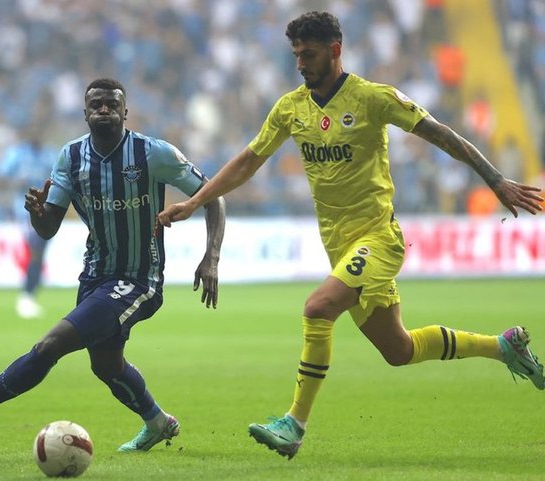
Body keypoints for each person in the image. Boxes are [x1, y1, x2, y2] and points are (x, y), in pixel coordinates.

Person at [158, 12, 544, 459]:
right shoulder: (290, 108)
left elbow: (441, 135)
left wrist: (495, 180)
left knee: (318, 308)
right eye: (296, 55)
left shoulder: (373, 98)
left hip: (378, 239)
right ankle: (502, 346)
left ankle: (294, 424)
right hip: (339, 246)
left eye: (309, 54)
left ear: (335, 50)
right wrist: (195, 202)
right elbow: (248, 161)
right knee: (398, 349)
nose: (300, 64)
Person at [0, 78, 226, 452]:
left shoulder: (152, 153)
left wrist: (211, 258)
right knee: (106, 366)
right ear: (85, 113)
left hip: (138, 280)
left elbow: (213, 196)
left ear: (125, 112)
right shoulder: (70, 157)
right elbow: (48, 227)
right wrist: (38, 214)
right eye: (97, 105)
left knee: (50, 345)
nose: (104, 109)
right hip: (95, 276)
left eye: (112, 104)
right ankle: (158, 422)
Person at [0, 127, 58, 318]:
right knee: (35, 250)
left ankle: (30, 294)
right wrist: (17, 182)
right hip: (23, 210)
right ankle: (26, 295)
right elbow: (1, 177)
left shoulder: (50, 155)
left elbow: (60, 180)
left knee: (40, 251)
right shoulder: (17, 153)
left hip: (46, 209)